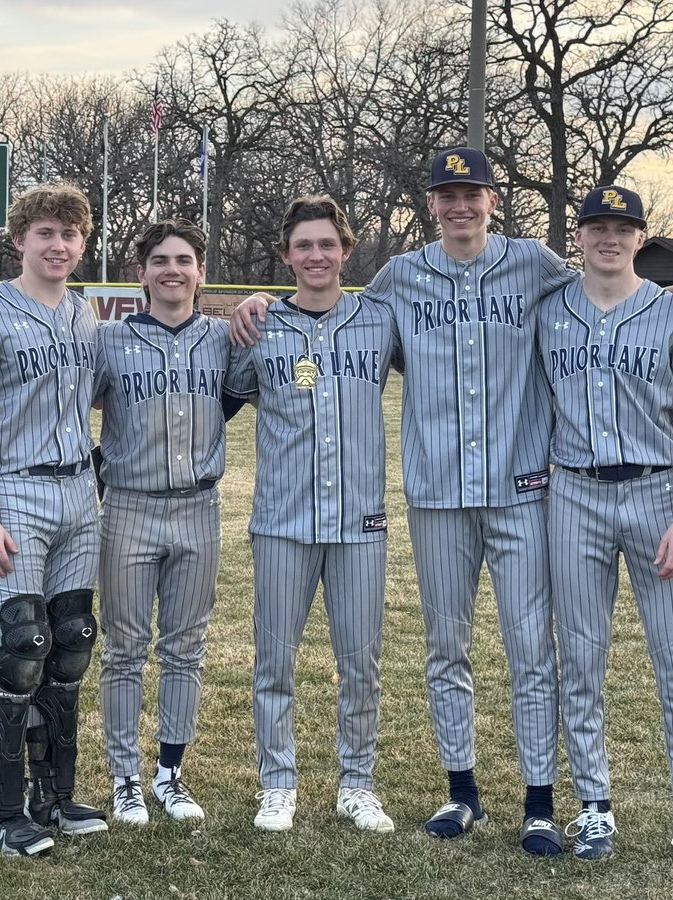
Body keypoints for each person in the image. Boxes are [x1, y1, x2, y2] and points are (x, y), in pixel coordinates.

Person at [230, 148, 673, 855]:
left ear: (493, 201)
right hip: (436, 492)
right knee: (445, 647)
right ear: (432, 204)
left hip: (522, 491)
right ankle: (462, 793)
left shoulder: (536, 264)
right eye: (447, 194)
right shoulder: (399, 277)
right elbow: (336, 316)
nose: (461, 205)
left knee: (531, 651)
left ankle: (541, 803)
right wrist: (257, 303)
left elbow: (611, 278)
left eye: (473, 193)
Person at [540, 185, 673, 871]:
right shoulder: (549, 309)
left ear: (641, 238)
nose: (609, 238)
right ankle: (594, 806)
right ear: (581, 234)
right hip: (575, 495)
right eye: (598, 226)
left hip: (657, 493)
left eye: (623, 228)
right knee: (582, 659)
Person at [225, 195, 400, 834]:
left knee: (361, 662)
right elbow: (214, 404)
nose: (316, 255)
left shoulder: (381, 320)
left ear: (346, 251)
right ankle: (278, 785)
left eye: (327, 244)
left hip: (360, 523)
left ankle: (357, 785)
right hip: (281, 522)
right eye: (304, 245)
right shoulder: (257, 327)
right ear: (286, 256)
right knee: (275, 661)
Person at [0, 182, 106, 858]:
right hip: (15, 492)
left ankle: (55, 796)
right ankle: (1, 815)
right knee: (20, 650)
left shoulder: (86, 316)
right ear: (20, 240)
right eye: (45, 232)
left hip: (78, 494)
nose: (59, 244)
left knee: (69, 642)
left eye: (70, 233)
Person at [94, 219, 244, 824]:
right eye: (160, 260)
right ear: (142, 273)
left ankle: (170, 773)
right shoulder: (109, 340)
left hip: (198, 507)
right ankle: (124, 776)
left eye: (184, 260)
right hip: (129, 504)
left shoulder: (224, 338)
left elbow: (238, 395)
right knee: (124, 648)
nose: (172, 270)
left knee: (186, 647)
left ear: (200, 272)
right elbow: (61, 397)